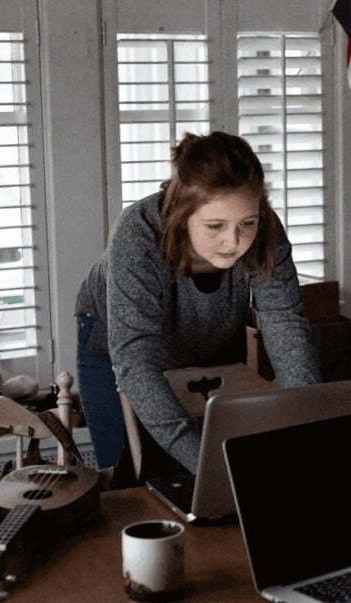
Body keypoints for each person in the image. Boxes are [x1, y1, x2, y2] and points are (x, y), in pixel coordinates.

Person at [75, 131, 321, 476]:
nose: (233, 242)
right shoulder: (137, 234)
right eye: (215, 225)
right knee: (126, 477)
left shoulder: (265, 230)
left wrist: (305, 424)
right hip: (118, 345)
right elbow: (136, 363)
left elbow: (285, 324)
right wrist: (208, 466)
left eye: (246, 224)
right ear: (181, 213)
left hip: (213, 335)